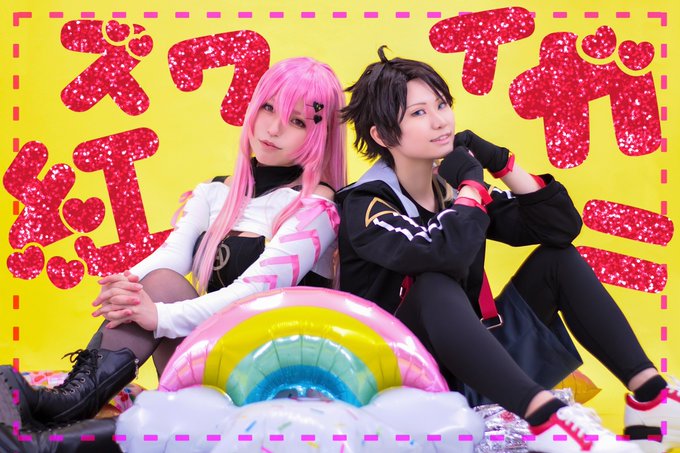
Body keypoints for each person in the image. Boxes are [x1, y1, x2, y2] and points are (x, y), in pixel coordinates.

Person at [337, 47, 678, 453]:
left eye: (442, 105)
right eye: (418, 113)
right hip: (401, 381)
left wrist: (501, 163)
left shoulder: (450, 190)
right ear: (382, 135)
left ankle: (651, 399)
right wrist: (471, 188)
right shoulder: (366, 203)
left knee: (557, 261)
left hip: (474, 365)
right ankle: (545, 419)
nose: (440, 120)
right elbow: (444, 253)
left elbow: (559, 228)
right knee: (433, 284)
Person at [0, 56, 347, 448]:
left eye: (297, 121)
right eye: (268, 107)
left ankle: (61, 413)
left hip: (275, 376)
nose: (273, 128)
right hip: (213, 362)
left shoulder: (316, 209)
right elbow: (171, 257)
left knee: (160, 294)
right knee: (158, 282)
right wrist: (125, 285)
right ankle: (65, 408)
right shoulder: (216, 192)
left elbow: (252, 294)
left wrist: (158, 315)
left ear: (321, 136)